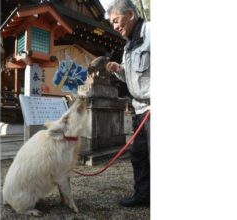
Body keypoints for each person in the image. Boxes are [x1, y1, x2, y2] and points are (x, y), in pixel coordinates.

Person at [105, 0, 150, 207]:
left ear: (130, 14)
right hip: (139, 108)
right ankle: (143, 196)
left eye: (116, 21)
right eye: (111, 23)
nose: (114, 26)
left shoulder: (152, 32)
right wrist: (119, 70)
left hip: (153, 108)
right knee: (139, 155)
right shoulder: (127, 46)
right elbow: (133, 77)